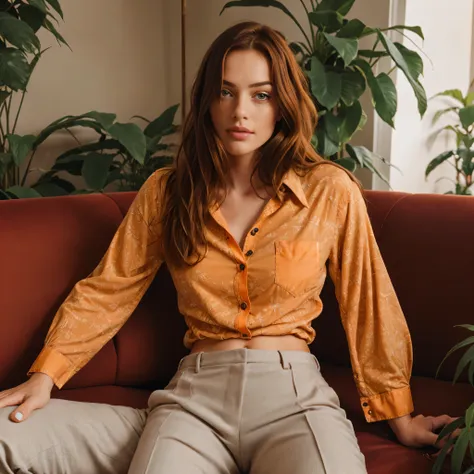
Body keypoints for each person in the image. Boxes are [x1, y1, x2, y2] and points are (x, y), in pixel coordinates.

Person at [0, 21, 455, 474]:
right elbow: (109, 288)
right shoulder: (169, 192)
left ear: (283, 104)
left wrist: (401, 417)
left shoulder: (328, 190)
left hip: (294, 395)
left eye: (261, 94)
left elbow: (369, 301)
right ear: (208, 103)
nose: (241, 111)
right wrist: (45, 376)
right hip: (195, 397)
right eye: (226, 92)